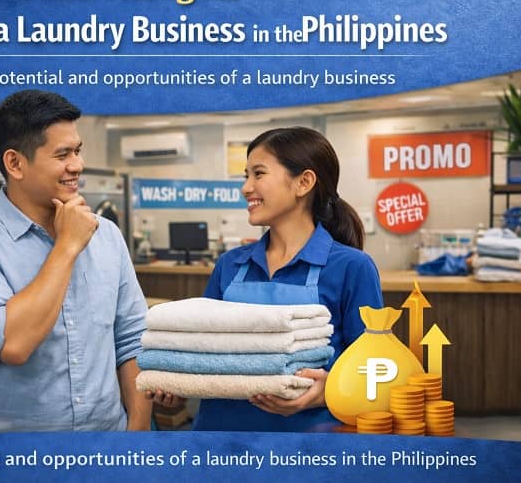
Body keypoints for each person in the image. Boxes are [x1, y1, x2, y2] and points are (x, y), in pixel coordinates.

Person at [0, 90, 151, 432]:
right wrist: (67, 246)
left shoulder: (107, 234)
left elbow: (132, 340)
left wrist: (137, 434)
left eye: (78, 151)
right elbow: (13, 344)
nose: (77, 165)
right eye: (62, 154)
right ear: (15, 163)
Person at [148, 127, 383, 431]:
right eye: (246, 175)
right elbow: (201, 354)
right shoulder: (231, 264)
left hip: (307, 444)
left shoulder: (352, 267)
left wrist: (329, 390)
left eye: (258, 174)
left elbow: (377, 370)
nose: (246, 187)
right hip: (219, 438)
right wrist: (176, 387)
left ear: (304, 182)